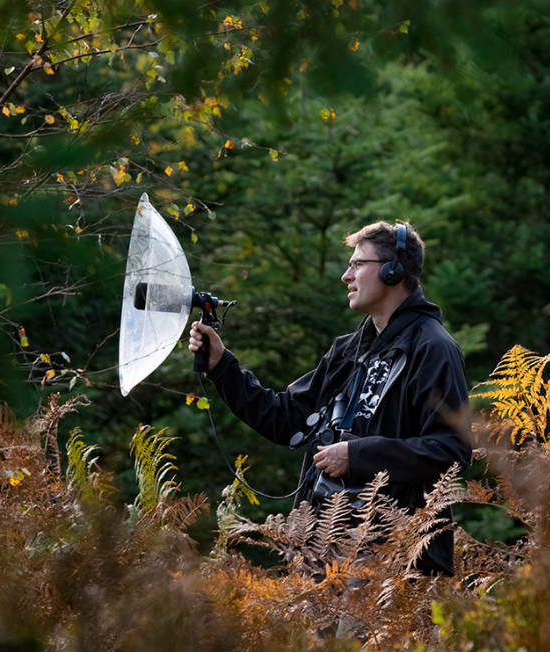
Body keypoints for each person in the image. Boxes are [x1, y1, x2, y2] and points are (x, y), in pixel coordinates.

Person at [188, 221, 471, 575]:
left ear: (392, 271)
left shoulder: (433, 348)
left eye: (357, 264)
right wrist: (221, 367)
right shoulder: (348, 351)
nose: (345, 276)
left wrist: (357, 456)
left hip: (390, 559)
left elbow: (451, 452)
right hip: (322, 552)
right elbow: (286, 420)